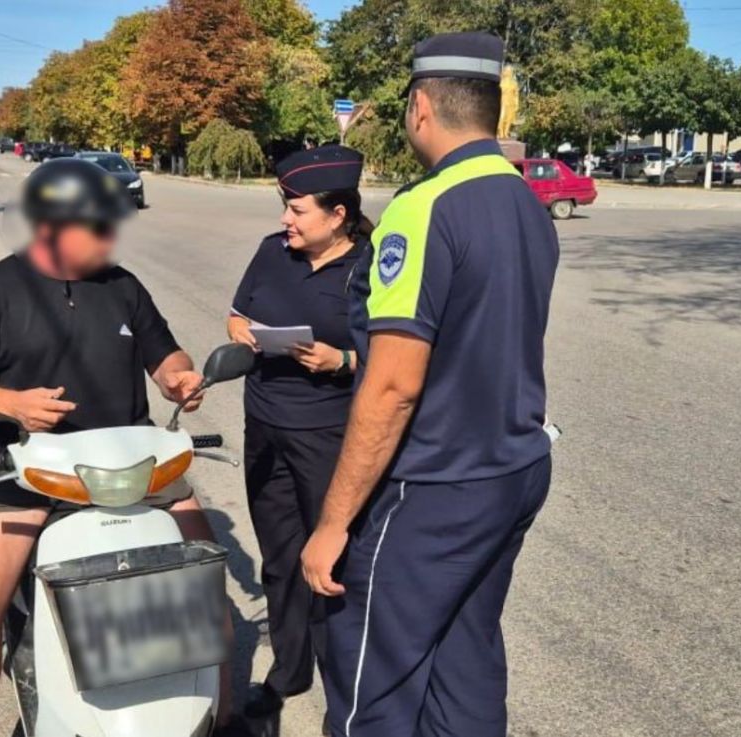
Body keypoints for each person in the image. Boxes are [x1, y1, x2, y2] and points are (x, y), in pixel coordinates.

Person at [300, 31, 560, 737]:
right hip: (514, 466)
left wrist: (332, 524)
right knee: (464, 659)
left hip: (434, 486)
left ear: (421, 107)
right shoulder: (527, 204)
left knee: (372, 682)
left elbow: (392, 388)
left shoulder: (423, 208)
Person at [0, 159, 245, 737]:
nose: (111, 239)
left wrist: (178, 377)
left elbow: (165, 352)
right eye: (98, 227)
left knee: (206, 589)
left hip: (136, 472)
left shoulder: (122, 285)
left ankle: (217, 718)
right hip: (27, 472)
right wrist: (9, 404)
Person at [227, 145, 368, 723]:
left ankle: (349, 682)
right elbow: (237, 312)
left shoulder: (370, 264)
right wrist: (242, 335)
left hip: (329, 436)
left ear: (337, 215)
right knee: (281, 557)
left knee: (330, 564)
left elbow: (395, 358)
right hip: (265, 427)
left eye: (298, 210)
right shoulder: (271, 253)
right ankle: (288, 672)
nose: (286, 219)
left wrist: (342, 361)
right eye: (286, 206)